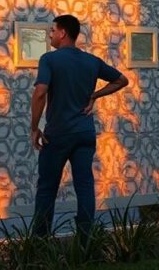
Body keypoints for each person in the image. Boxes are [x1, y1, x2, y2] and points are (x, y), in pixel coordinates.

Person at [30, 14, 129, 237]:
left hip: (57, 134)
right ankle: (86, 241)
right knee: (84, 186)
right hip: (85, 133)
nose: (50, 34)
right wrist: (95, 95)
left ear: (63, 33)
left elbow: (40, 93)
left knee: (47, 189)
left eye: (53, 30)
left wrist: (34, 127)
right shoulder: (92, 61)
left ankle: (39, 243)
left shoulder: (49, 59)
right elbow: (122, 80)